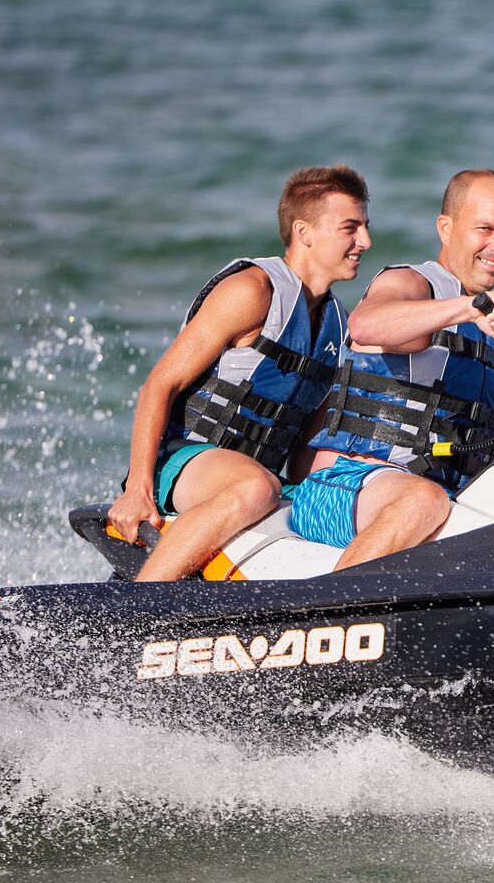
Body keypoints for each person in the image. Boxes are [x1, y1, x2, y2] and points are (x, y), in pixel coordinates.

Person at [106, 165, 370, 582]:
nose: (365, 242)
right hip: (185, 462)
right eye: (350, 228)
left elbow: (304, 449)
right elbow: (161, 384)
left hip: (260, 478)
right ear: (304, 232)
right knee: (258, 487)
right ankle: (142, 604)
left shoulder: (339, 325)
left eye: (365, 227)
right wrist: (137, 488)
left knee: (344, 500)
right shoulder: (252, 292)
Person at [290, 169, 494, 569]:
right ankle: (326, 615)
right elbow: (366, 324)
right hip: (339, 490)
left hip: (434, 506)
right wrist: (469, 307)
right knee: (423, 498)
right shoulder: (411, 284)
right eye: (486, 229)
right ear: (446, 228)